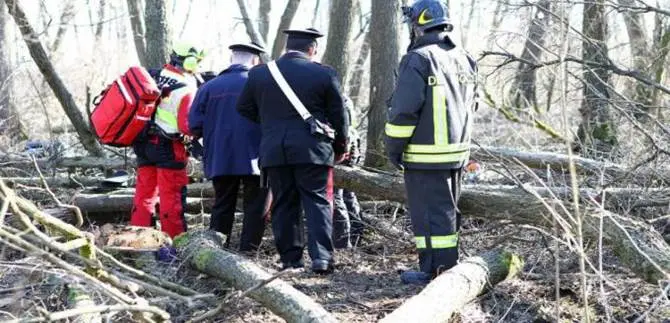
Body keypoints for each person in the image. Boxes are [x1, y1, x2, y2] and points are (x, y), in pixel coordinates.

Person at [236, 28, 349, 274]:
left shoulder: (259, 75)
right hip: (314, 149)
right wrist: (341, 146)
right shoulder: (323, 74)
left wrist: (270, 123)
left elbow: (243, 108)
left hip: (274, 150)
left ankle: (290, 260)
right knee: (317, 201)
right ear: (313, 49)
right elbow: (339, 116)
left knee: (284, 204)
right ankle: (321, 259)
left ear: (287, 48)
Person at [384, 0, 479, 285]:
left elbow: (403, 112)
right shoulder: (464, 57)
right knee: (446, 214)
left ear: (418, 24)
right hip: (457, 154)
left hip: (425, 156)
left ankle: (435, 272)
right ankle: (445, 267)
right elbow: (473, 105)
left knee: (429, 217)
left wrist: (393, 149)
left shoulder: (418, 59)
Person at [189, 42, 269, 251]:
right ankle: (249, 250)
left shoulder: (208, 87)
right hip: (257, 155)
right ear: (255, 60)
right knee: (256, 204)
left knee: (222, 203)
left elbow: (194, 125)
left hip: (220, 156)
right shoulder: (263, 85)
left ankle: (216, 248)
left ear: (232, 59)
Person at [130, 42, 205, 239]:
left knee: (144, 195)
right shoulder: (186, 88)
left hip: (143, 143)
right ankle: (175, 242)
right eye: (197, 61)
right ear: (189, 62)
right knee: (171, 197)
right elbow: (185, 126)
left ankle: (140, 239)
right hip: (168, 147)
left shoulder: (154, 76)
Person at [332, 96, 363, 249]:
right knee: (348, 197)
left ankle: (342, 243)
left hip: (343, 151)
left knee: (337, 198)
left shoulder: (337, 100)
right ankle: (355, 237)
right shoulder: (344, 99)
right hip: (351, 147)